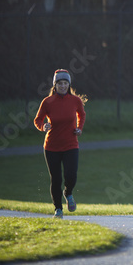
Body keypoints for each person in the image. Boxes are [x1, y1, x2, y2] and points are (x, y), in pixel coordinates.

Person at [34, 69, 87, 219]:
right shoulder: (48, 102)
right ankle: (58, 209)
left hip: (71, 144)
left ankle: (68, 193)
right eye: (59, 83)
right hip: (51, 146)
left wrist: (79, 128)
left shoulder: (75, 101)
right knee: (56, 179)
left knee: (71, 175)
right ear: (55, 85)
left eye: (65, 83)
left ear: (69, 84)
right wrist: (43, 126)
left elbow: (81, 114)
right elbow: (37, 119)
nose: (62, 86)